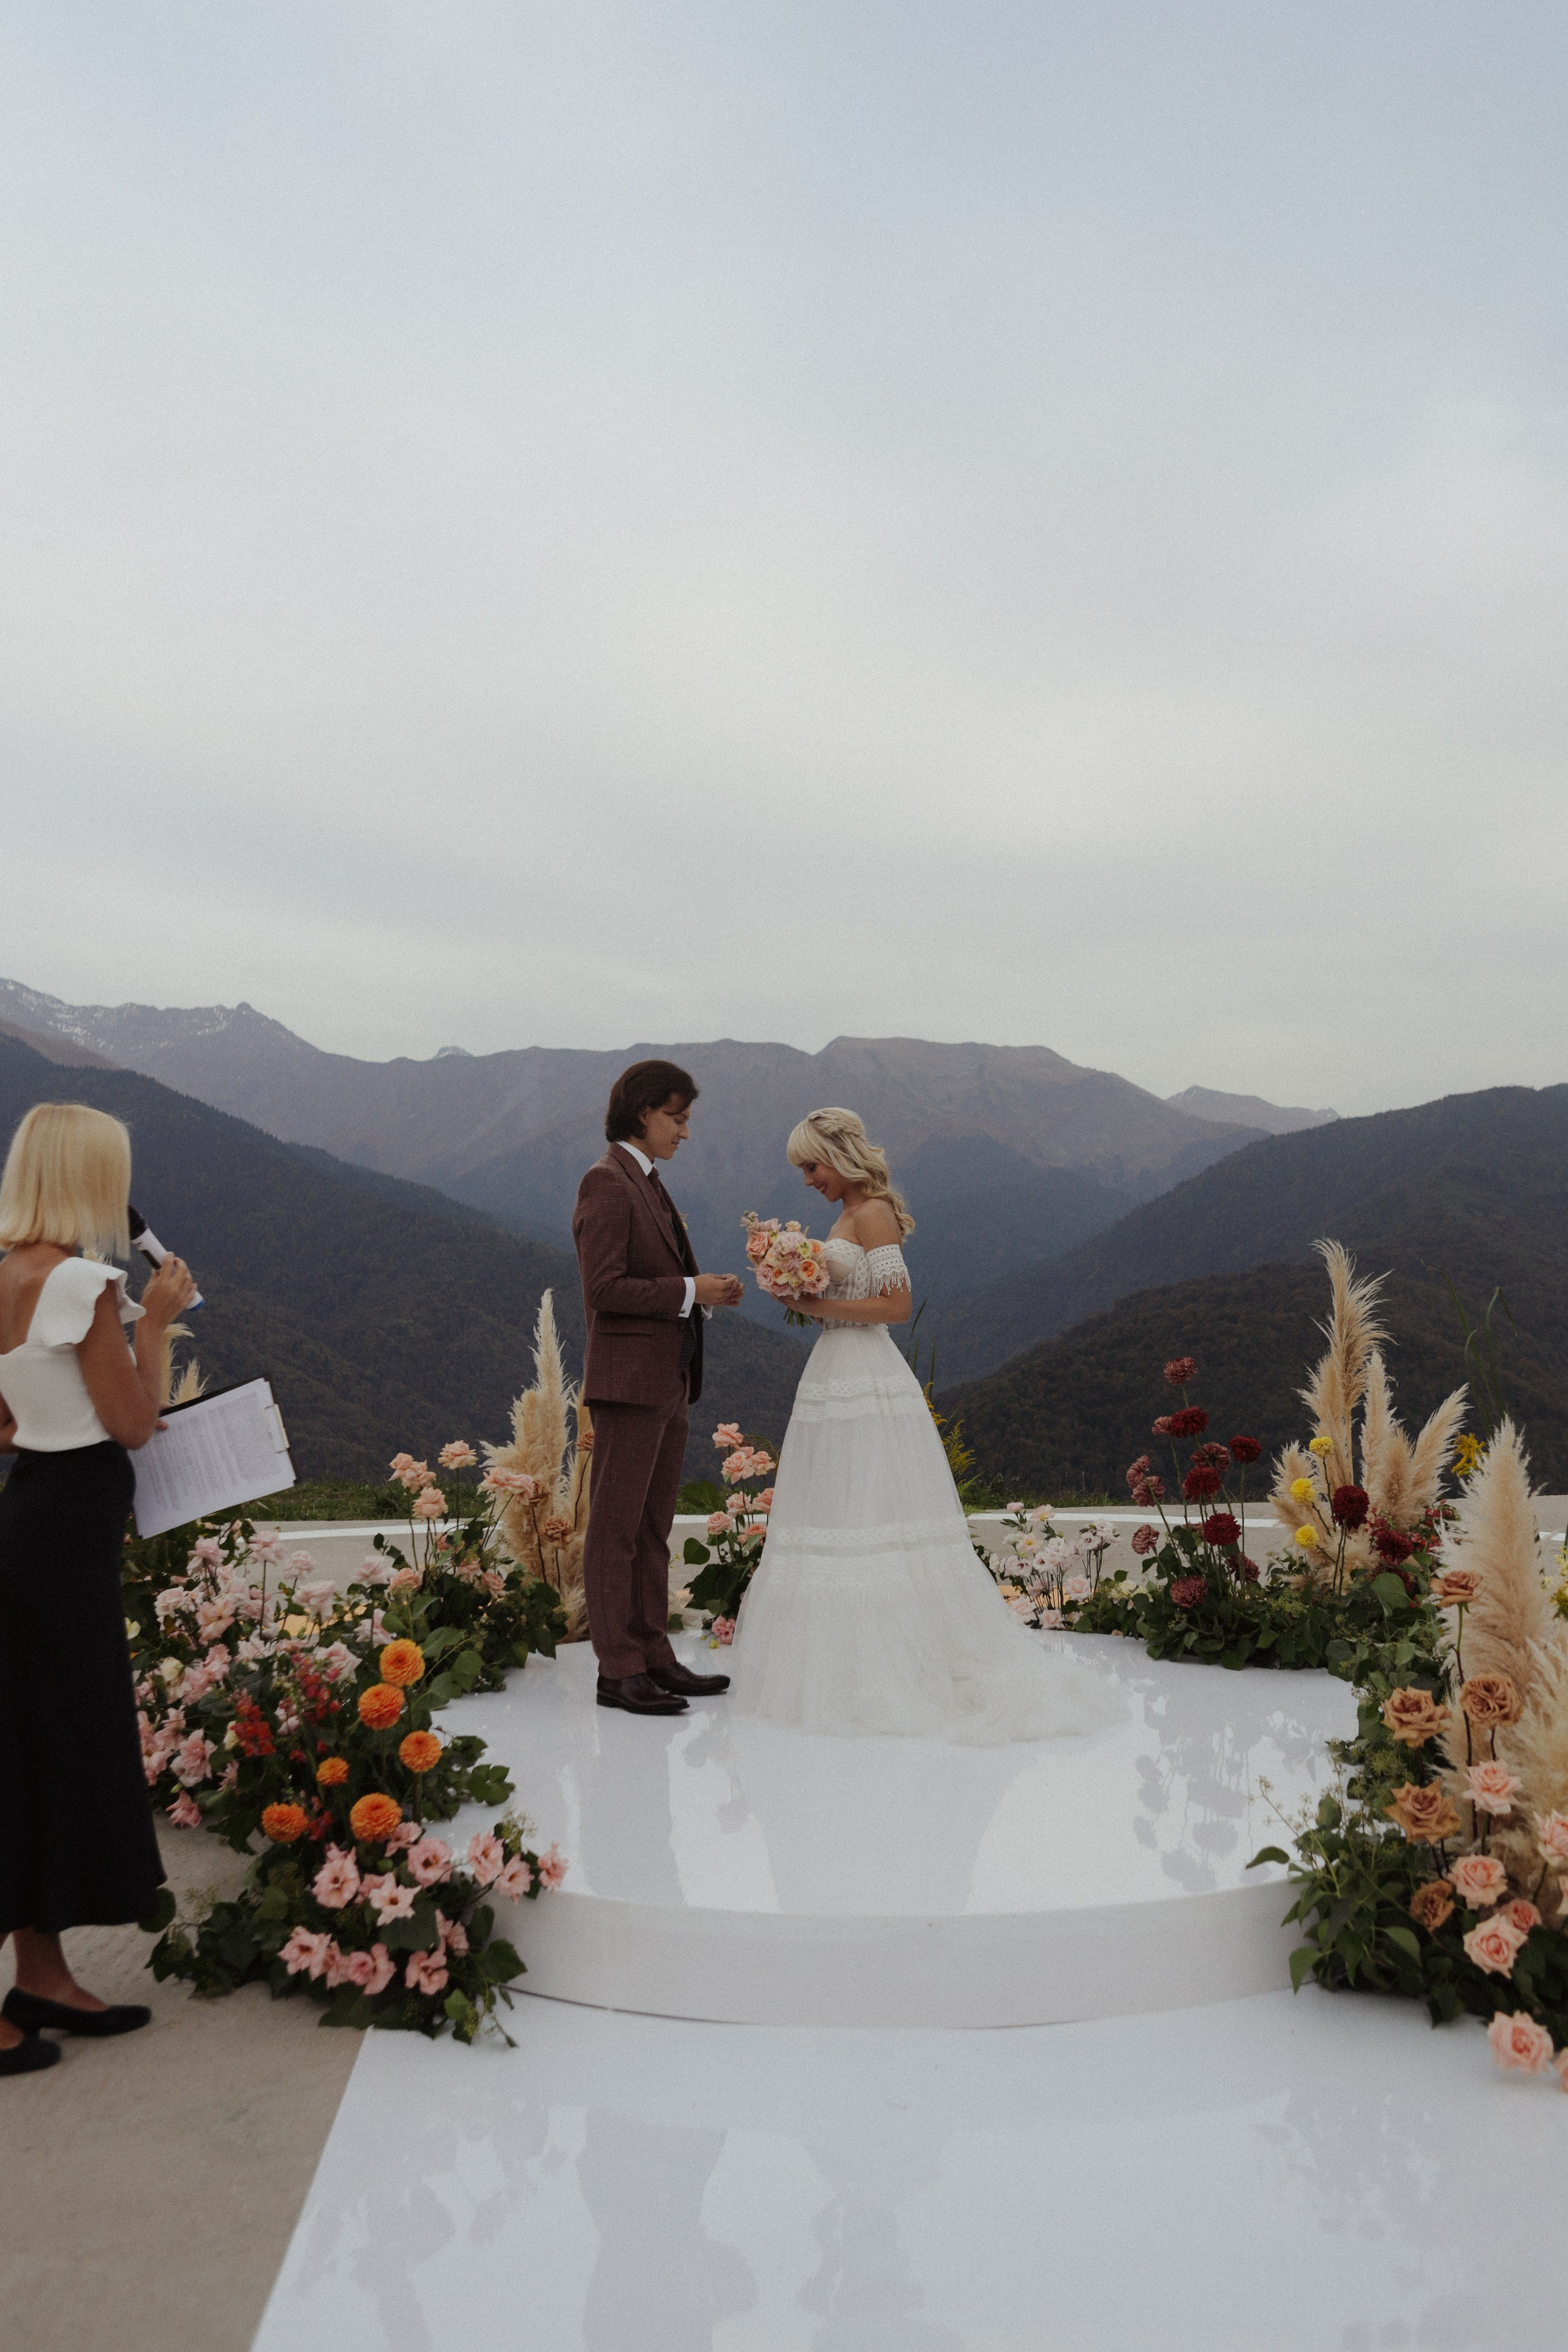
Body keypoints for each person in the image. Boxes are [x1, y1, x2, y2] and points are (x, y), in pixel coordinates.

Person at [726, 1107, 1122, 1744]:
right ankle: (848, 1672)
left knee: (875, 1510)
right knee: (840, 1511)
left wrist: (808, 1300)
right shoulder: (846, 1215)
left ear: (840, 1156)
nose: (807, 1180)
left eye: (811, 1166)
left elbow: (897, 1305)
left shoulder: (873, 1211)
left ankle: (894, 1673)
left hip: (865, 1367)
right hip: (834, 1368)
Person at [0, 1102, 198, 2078]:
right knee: (49, 1747)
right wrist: (154, 1326)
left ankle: (41, 1975)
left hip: (28, 1517)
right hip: (68, 1539)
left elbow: (3, 1424)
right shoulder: (85, 1281)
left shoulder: (6, 1276)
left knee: (30, 1746)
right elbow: (133, 1425)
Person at [573, 1061, 744, 1716]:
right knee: (615, 1530)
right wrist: (689, 1292)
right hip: (630, 1387)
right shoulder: (606, 1182)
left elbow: (653, 1282)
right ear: (643, 1112)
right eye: (678, 1117)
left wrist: (702, 1298)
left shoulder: (645, 1180)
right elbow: (604, 1290)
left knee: (651, 1528)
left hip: (668, 1382)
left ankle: (653, 1657)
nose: (685, 1132)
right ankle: (617, 1670)